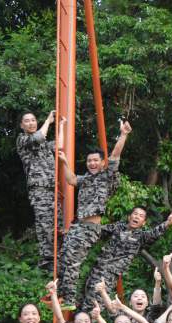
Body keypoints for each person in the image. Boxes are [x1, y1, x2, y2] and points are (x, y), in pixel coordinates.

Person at [55, 119, 132, 309]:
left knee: (72, 260)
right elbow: (71, 179)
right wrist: (64, 162)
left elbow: (115, 155)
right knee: (64, 258)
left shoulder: (107, 176)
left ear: (102, 162)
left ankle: (69, 300)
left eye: (95, 160)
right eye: (89, 160)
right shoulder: (87, 179)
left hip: (90, 228)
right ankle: (63, 295)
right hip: (78, 225)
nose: (92, 163)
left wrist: (123, 135)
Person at [80, 207, 172, 311]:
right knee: (84, 297)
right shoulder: (117, 227)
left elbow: (154, 233)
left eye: (141, 216)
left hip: (109, 275)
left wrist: (167, 223)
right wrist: (79, 228)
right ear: (129, 217)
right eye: (135, 214)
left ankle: (88, 322)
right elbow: (98, 230)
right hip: (97, 268)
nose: (137, 217)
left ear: (143, 223)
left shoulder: (141, 236)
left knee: (95, 303)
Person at [16, 110, 64, 270]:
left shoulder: (42, 142)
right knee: (45, 224)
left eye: (33, 120)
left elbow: (59, 145)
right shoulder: (23, 139)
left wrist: (62, 126)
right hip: (39, 188)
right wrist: (49, 121)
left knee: (57, 222)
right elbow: (38, 137)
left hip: (52, 188)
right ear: (22, 125)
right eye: (27, 121)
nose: (31, 123)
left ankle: (58, 257)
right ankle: (47, 260)